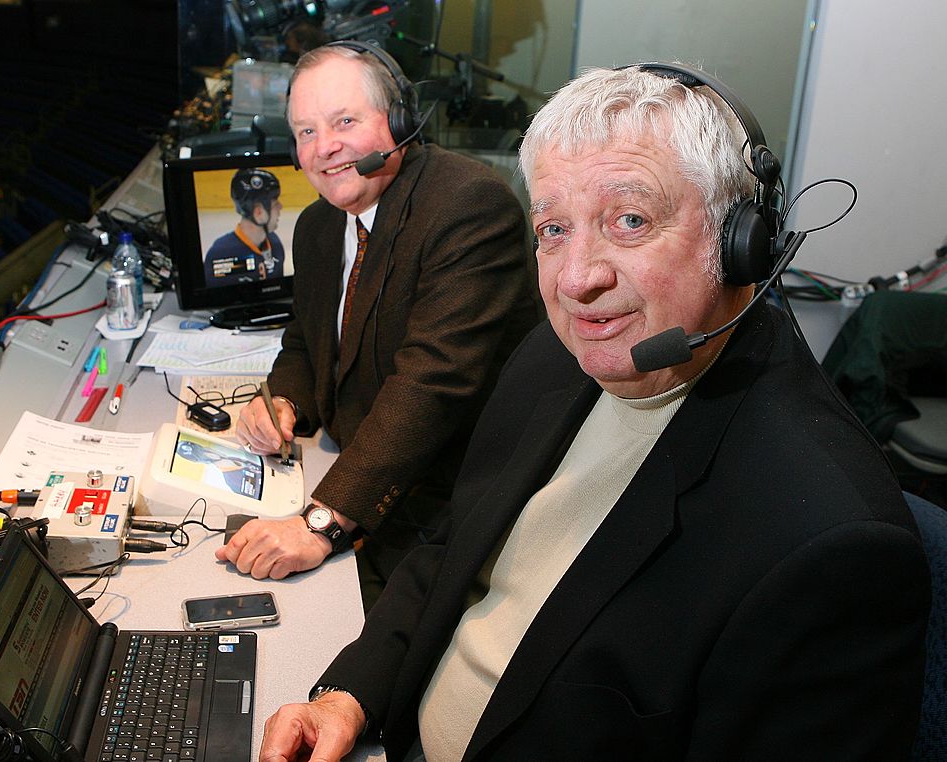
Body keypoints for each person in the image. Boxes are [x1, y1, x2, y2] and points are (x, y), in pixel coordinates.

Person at [257, 64, 931, 761]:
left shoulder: (831, 544)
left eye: (630, 220)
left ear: (741, 239)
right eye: (553, 229)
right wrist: (349, 696)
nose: (578, 280)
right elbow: (452, 548)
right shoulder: (557, 356)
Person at [216, 42, 537, 605]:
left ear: (398, 122)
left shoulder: (467, 206)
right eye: (307, 131)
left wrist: (321, 524)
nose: (326, 147)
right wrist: (284, 401)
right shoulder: (318, 225)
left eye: (344, 121)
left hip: (437, 501)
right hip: (353, 467)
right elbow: (304, 343)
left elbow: (430, 386)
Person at [203, 167, 285, 285]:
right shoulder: (221, 254)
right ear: (259, 212)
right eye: (275, 204)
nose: (280, 207)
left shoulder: (275, 244)